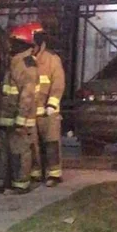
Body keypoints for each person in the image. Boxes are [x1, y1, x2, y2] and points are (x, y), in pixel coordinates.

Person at [0, 24, 39, 195]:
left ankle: (20, 185)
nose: (10, 45)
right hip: (6, 117)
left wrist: (21, 121)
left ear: (22, 44)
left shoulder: (27, 64)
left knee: (19, 153)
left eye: (13, 42)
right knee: (2, 153)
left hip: (18, 120)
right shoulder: (15, 61)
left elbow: (27, 96)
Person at [29, 23, 65, 187]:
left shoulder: (52, 59)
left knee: (51, 143)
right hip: (31, 111)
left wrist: (51, 105)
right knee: (33, 145)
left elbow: (58, 84)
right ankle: (35, 173)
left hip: (49, 112)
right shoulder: (26, 60)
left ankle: (54, 173)